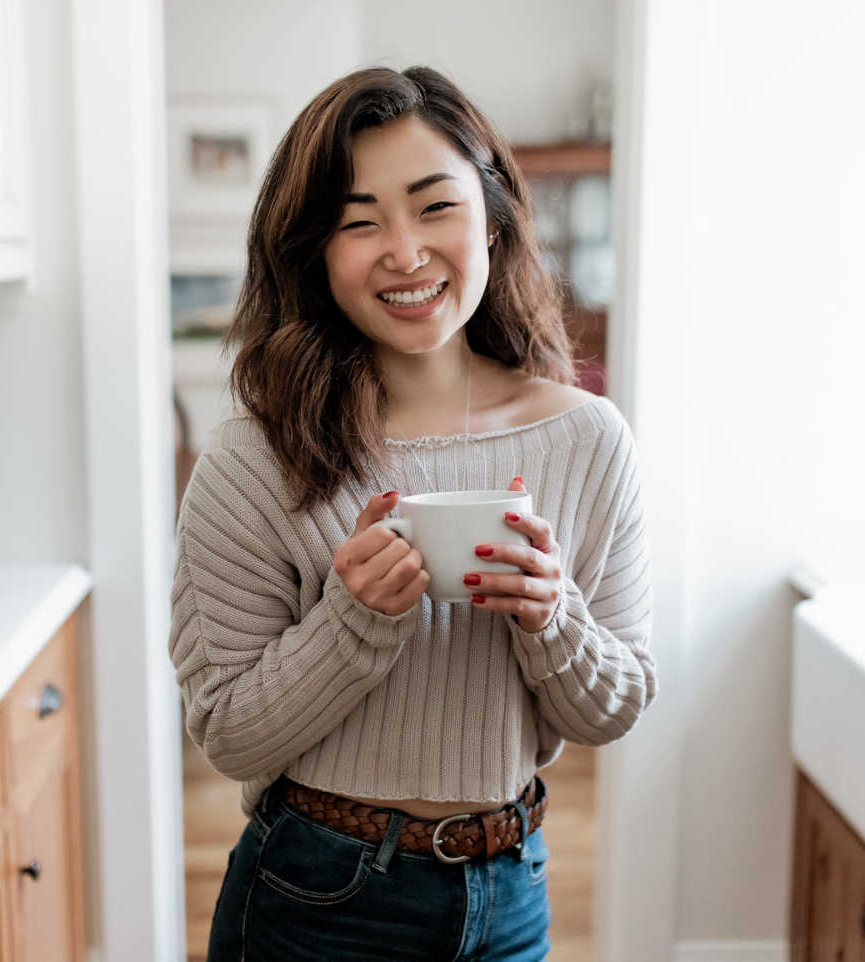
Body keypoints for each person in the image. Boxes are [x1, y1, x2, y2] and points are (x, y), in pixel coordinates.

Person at [169, 65, 658, 962]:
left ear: (495, 212)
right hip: (317, 894)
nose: (404, 252)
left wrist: (554, 616)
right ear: (314, 249)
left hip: (510, 889)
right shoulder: (253, 457)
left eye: (435, 207)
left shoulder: (589, 440)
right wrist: (350, 621)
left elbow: (614, 707)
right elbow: (227, 731)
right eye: (359, 222)